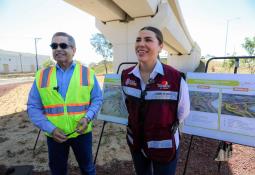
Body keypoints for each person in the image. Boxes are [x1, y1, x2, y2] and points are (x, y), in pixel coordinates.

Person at [27, 32, 103, 175]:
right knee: (57, 171)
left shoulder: (87, 73)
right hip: (54, 135)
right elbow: (33, 107)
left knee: (88, 168)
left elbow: (97, 99)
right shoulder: (42, 75)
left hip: (82, 133)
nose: (58, 48)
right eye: (54, 45)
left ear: (74, 50)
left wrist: (87, 117)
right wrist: (50, 128)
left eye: (63, 45)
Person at [121, 26, 190, 175]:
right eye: (138, 40)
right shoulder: (126, 76)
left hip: (164, 146)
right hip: (137, 143)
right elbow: (128, 106)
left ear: (160, 46)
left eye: (148, 40)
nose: (141, 44)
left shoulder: (175, 78)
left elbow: (183, 112)